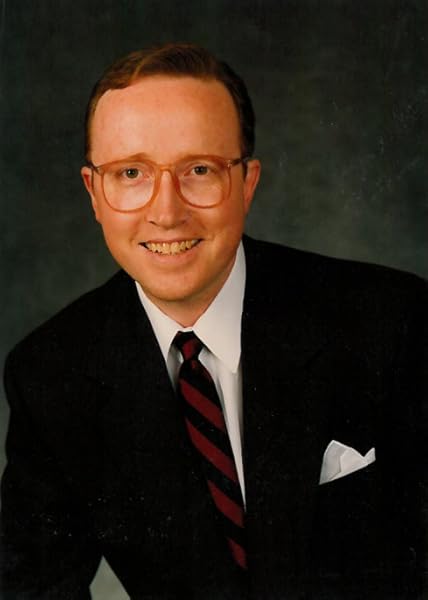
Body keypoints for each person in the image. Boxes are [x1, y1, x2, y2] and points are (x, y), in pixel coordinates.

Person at [1, 42, 427, 600]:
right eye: (131, 173)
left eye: (199, 169)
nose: (166, 211)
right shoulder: (51, 376)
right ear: (95, 193)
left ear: (247, 183)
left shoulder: (392, 321)